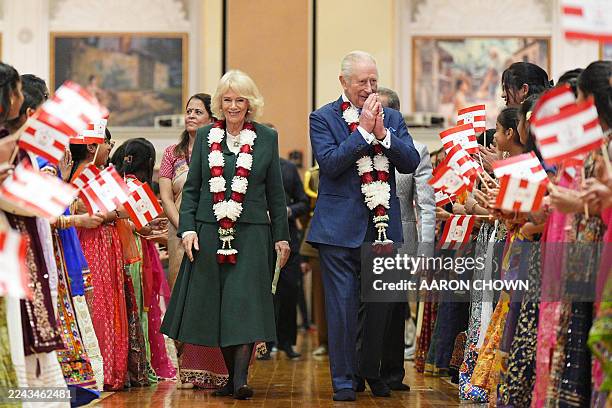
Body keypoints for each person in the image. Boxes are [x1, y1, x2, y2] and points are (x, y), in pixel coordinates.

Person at [161, 70, 290, 400]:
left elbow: (276, 192)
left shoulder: (266, 137)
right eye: (228, 100)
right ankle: (232, 377)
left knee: (244, 305)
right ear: (220, 103)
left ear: (250, 103)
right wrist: (187, 228)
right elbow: (192, 190)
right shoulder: (205, 137)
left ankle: (240, 380)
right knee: (217, 307)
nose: (233, 106)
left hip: (252, 235)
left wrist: (282, 236)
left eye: (240, 100)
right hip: (208, 230)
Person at [307, 51, 420, 401]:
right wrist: (362, 133)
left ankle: (371, 370)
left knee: (380, 310)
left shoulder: (394, 118)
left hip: (383, 229)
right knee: (341, 308)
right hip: (338, 231)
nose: (370, 88)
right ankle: (343, 380)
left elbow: (410, 161)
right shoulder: (323, 118)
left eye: (374, 80)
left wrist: (384, 135)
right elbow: (329, 164)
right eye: (362, 82)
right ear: (343, 82)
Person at [158, 93, 229, 390]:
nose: (190, 116)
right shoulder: (171, 153)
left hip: (211, 232)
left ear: (211, 119)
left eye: (197, 112)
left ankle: (211, 366)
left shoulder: (221, 150)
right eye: (188, 111)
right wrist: (184, 227)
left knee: (208, 297)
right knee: (180, 297)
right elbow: (165, 195)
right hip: (180, 234)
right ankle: (183, 365)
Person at [377, 86, 435, 391]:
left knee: (395, 309)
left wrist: (425, 250)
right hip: (365, 235)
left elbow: (426, 205)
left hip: (402, 238)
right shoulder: (358, 143)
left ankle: (392, 373)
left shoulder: (417, 150)